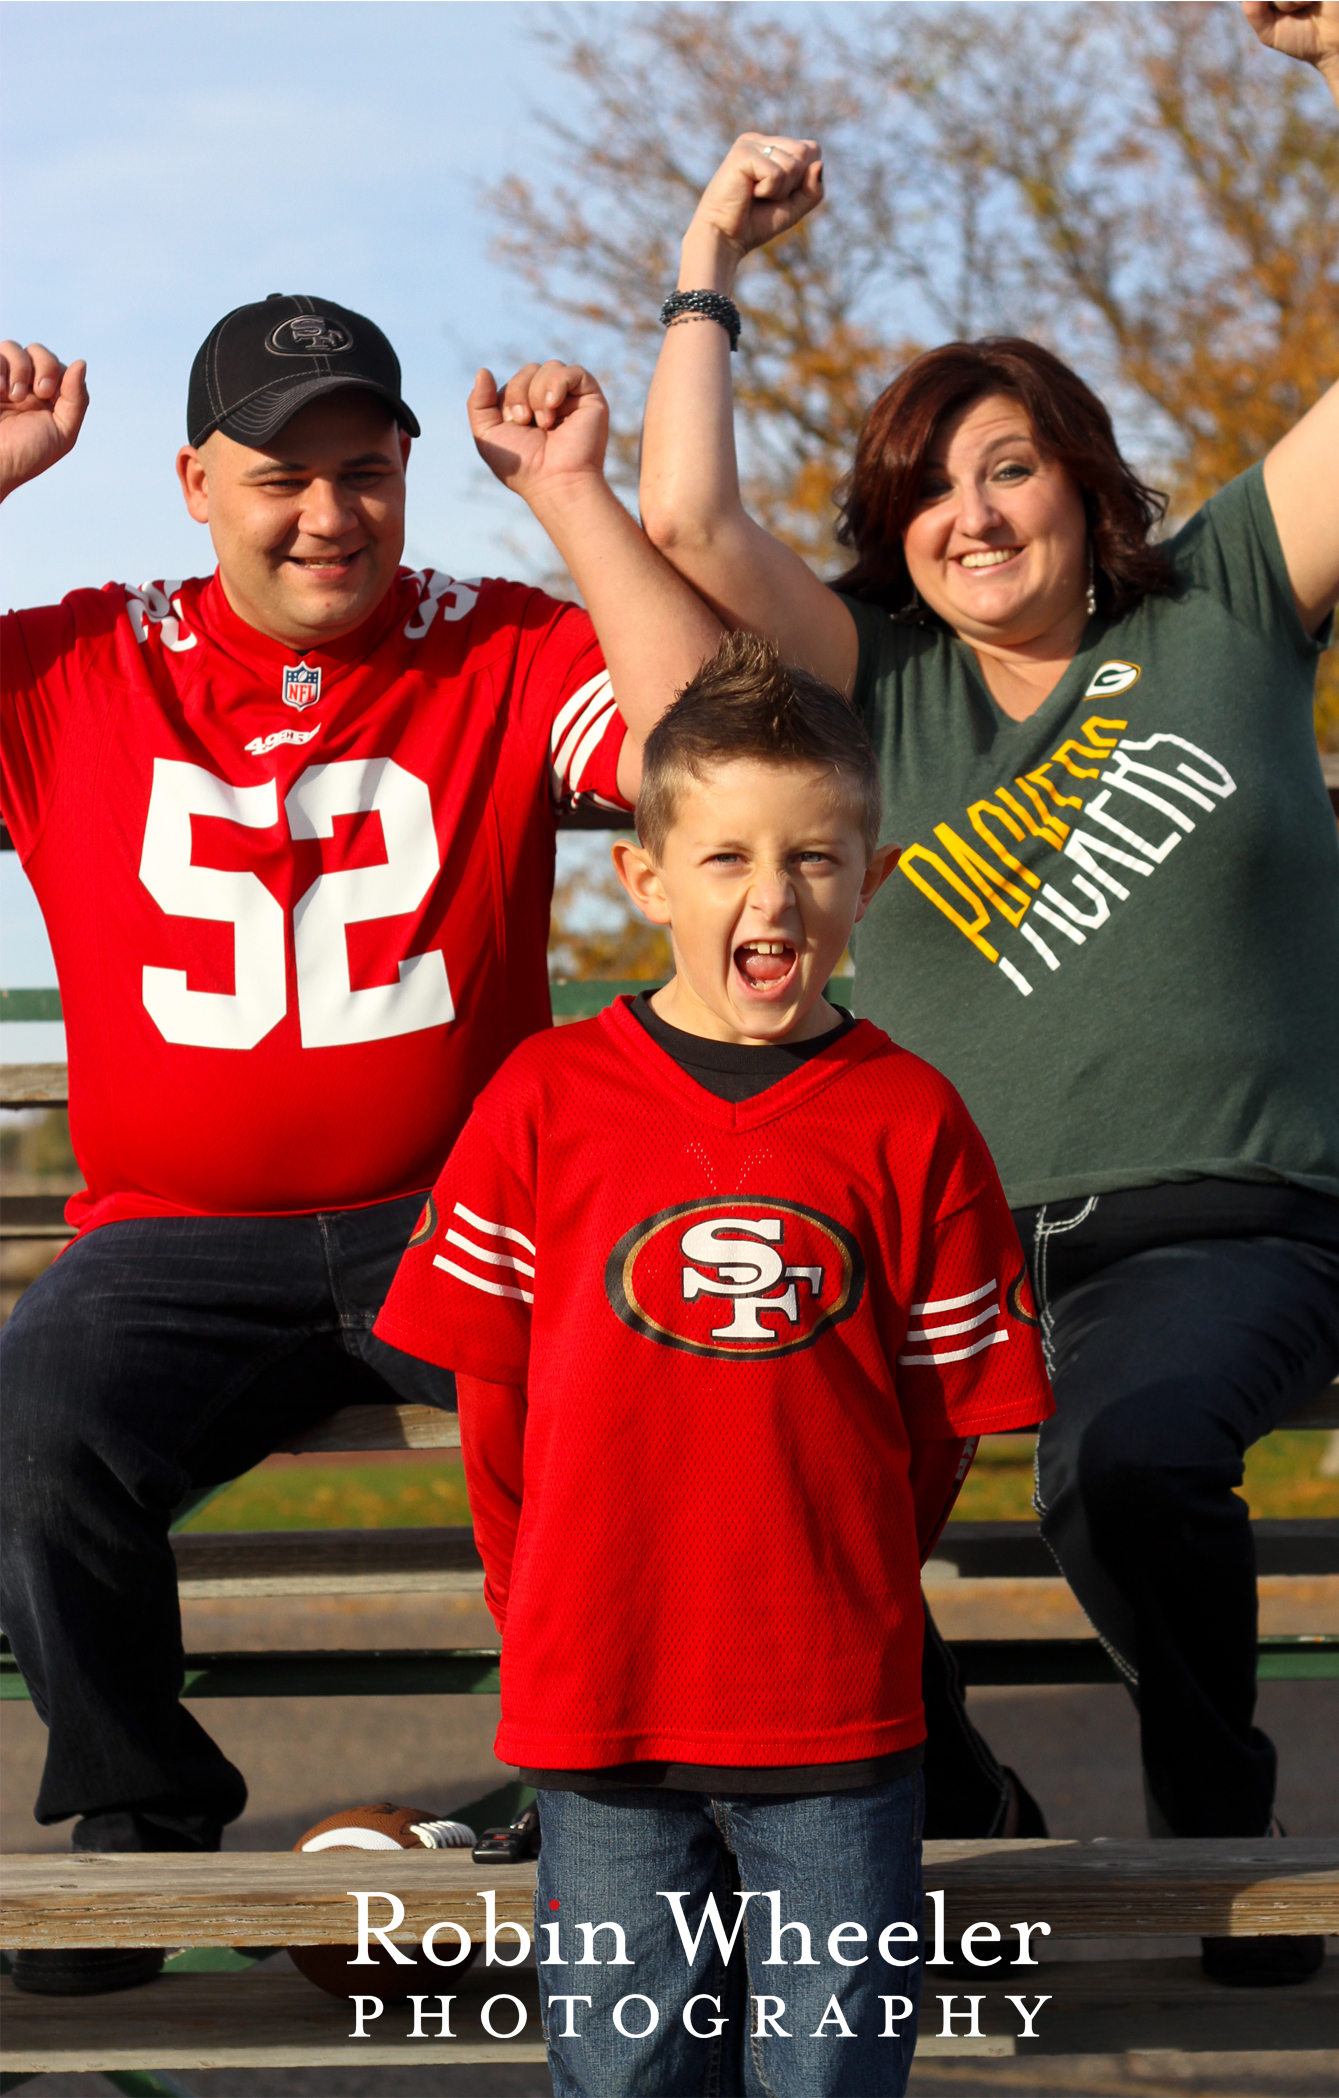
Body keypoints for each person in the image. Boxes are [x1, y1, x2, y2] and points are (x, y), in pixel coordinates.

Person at [635, 0, 1339, 1986]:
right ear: (894, 533)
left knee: (1121, 1453)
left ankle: (1218, 1810)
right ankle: (959, 1787)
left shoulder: (1223, 596)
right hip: (948, 1254)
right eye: (926, 489)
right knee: (736, 1467)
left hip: (1224, 1229)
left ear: (1083, 479)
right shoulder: (881, 688)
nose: (972, 512)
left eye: (1010, 465)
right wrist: (709, 259)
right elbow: (692, 519)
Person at [0, 296, 721, 1995]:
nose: (329, 514)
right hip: (169, 1232)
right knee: (30, 1427)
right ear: (192, 482)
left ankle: (589, 1804)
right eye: (281, 477)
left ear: (408, 474)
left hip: (462, 1209)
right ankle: (138, 1815)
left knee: (646, 1396)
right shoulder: (75, 663)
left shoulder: (505, 641)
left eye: (365, 472)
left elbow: (710, 761)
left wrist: (570, 496)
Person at [374, 635, 1053, 2097]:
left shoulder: (913, 1117)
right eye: (729, 854)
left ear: (866, 881)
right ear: (646, 880)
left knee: (825, 2075)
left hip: (830, 1713)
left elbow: (940, 1429)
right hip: (598, 1692)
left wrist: (843, 1572)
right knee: (622, 2076)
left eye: (814, 858)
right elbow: (492, 1397)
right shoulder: (544, 1096)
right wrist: (535, 1594)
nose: (771, 895)